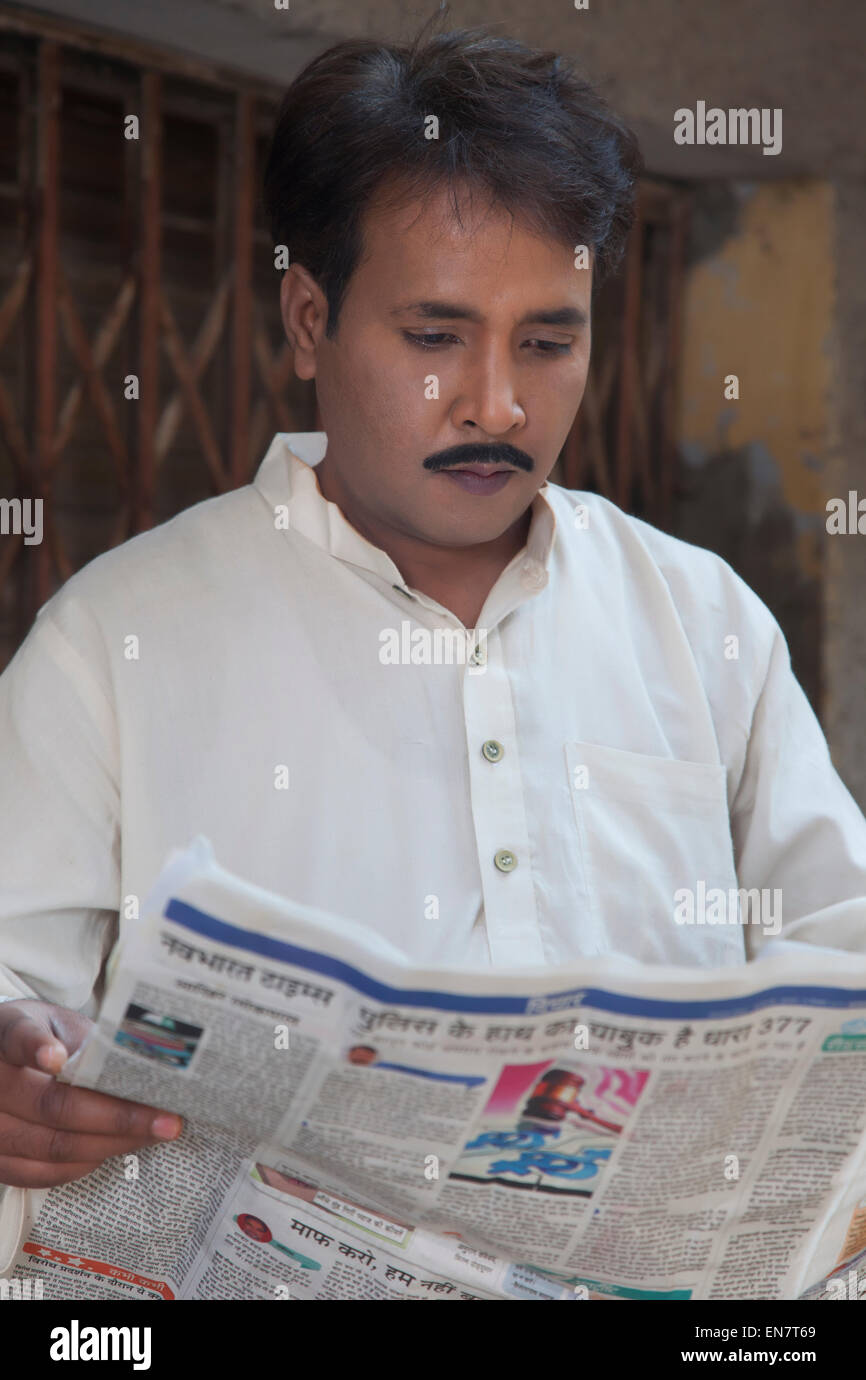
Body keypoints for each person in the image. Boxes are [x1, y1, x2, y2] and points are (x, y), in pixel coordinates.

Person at [1, 20, 865, 1266]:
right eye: (433, 336)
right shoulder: (112, 645)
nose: (497, 403)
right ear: (308, 320)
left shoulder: (704, 621)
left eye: (548, 341)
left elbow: (838, 958)